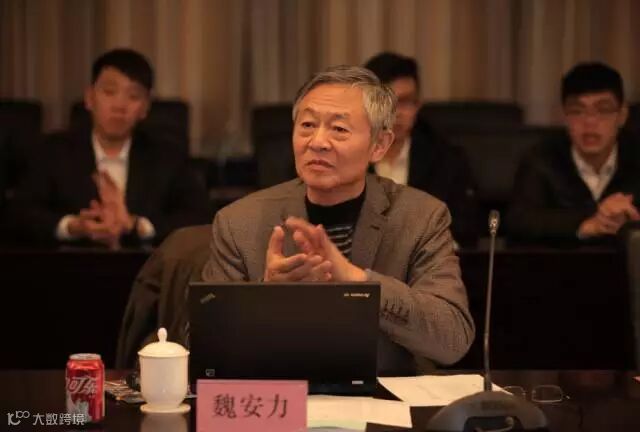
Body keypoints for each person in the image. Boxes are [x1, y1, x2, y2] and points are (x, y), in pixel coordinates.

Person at [200, 65, 474, 375]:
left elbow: (453, 340)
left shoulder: (421, 217)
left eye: (339, 129)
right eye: (307, 125)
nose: (317, 141)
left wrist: (358, 281)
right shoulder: (239, 222)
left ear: (379, 145)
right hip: (281, 394)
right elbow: (201, 345)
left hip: (381, 396)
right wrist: (264, 298)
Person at [13, 48, 210, 247]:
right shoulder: (52, 151)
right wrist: (73, 226)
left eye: (133, 96)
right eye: (109, 92)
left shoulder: (167, 155)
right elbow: (19, 213)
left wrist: (137, 225)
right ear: (89, 97)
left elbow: (199, 215)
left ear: (145, 107)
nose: (119, 106)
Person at [507, 62, 640, 245]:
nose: (590, 122)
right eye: (577, 111)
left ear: (622, 115)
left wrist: (630, 219)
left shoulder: (636, 156)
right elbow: (519, 222)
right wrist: (588, 224)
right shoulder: (541, 159)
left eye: (603, 110)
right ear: (564, 116)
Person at [363, 52, 478, 246]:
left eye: (405, 101)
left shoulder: (446, 159)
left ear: (418, 105)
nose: (395, 113)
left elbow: (465, 229)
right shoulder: (344, 154)